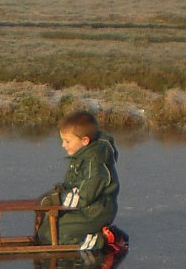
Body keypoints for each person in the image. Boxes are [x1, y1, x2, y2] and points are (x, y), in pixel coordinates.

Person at [38, 108, 127, 254]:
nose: (63, 145)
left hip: (95, 212)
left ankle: (104, 238)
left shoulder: (94, 163)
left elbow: (85, 195)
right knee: (46, 230)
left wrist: (58, 198)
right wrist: (59, 191)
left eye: (67, 141)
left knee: (54, 235)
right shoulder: (82, 156)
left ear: (85, 140)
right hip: (84, 209)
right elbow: (73, 183)